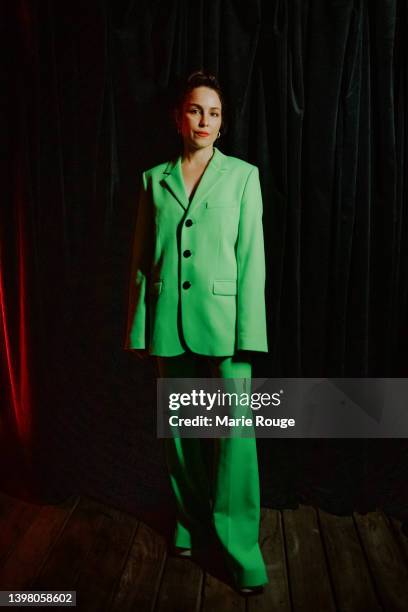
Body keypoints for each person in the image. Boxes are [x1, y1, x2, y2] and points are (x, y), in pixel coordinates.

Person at [124, 69, 269, 595]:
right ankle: (190, 521)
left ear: (223, 122)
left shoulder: (243, 177)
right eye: (195, 110)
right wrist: (139, 327)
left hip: (228, 325)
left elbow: (253, 261)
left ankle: (241, 545)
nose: (204, 120)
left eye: (214, 112)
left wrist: (251, 332)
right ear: (177, 117)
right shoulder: (153, 180)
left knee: (236, 435)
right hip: (167, 320)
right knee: (180, 433)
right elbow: (142, 261)